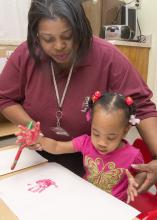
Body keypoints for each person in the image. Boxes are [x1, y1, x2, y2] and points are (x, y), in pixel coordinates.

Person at [0, 0, 157, 192]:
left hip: (89, 156)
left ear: (81, 28)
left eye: (68, 36)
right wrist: (33, 128)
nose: (59, 46)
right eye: (48, 39)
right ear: (36, 36)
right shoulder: (25, 55)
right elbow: (4, 98)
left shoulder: (106, 56)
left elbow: (141, 105)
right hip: (39, 151)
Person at [16, 92, 146, 203]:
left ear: (125, 131)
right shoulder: (86, 142)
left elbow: (143, 172)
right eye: (96, 133)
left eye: (111, 137)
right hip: (87, 196)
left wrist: (136, 183)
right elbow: (57, 147)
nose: (101, 142)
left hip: (115, 206)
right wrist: (39, 140)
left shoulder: (132, 155)